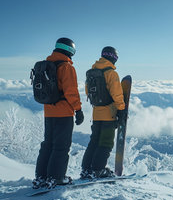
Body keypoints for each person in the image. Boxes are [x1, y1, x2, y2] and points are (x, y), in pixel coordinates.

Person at [33, 37, 84, 189]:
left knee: (47, 144)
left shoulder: (46, 64)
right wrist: (78, 109)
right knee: (61, 146)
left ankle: (41, 177)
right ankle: (56, 177)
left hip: (48, 112)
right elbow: (71, 92)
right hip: (64, 113)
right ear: (70, 50)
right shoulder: (66, 66)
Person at [81, 46, 126, 178]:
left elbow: (87, 92)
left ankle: (86, 169)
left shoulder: (91, 72)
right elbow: (117, 95)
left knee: (94, 142)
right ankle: (98, 169)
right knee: (106, 143)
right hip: (109, 114)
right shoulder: (111, 73)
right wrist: (121, 110)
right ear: (114, 58)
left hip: (96, 113)